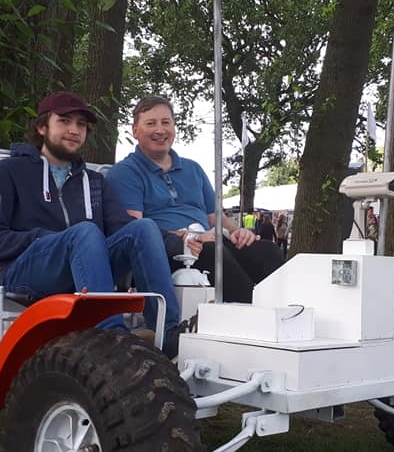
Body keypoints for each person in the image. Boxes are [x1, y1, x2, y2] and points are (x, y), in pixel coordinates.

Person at [0, 91, 182, 357]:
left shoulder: (94, 181)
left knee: (142, 227)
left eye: (81, 125)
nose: (74, 130)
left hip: (84, 270)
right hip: (25, 271)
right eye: (64, 121)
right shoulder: (9, 171)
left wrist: (182, 241)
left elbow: (124, 229)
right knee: (85, 232)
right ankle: (111, 337)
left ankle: (169, 331)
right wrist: (46, 238)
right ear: (41, 126)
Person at [107, 95, 284, 303]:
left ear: (174, 127)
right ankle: (250, 315)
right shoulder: (125, 173)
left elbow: (214, 217)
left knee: (267, 250)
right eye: (150, 123)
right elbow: (135, 230)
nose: (160, 130)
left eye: (166, 122)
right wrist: (190, 236)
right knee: (212, 252)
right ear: (135, 130)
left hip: (210, 241)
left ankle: (286, 313)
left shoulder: (193, 169)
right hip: (167, 252)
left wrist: (238, 232)